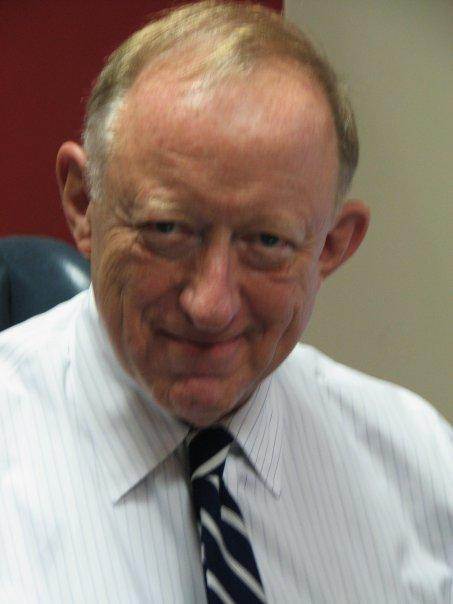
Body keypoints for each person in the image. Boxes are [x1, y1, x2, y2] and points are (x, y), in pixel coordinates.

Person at [1, 2, 451, 602]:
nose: (211, 306)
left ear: (331, 247)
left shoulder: (421, 466)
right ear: (84, 204)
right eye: (167, 230)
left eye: (267, 242)